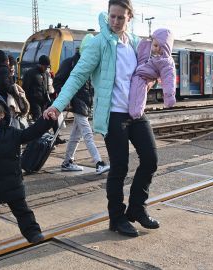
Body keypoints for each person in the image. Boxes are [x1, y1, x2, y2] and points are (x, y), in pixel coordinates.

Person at [44, 0, 160, 237]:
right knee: (120, 167)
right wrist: (57, 105)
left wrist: (153, 79)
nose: (116, 22)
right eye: (112, 17)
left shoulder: (137, 44)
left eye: (121, 17)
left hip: (136, 113)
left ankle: (137, 208)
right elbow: (77, 76)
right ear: (108, 16)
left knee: (151, 159)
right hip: (113, 116)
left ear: (130, 17)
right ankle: (116, 218)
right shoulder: (99, 44)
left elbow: (146, 74)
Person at [0, 92, 53, 250]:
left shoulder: (13, 134)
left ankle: (33, 233)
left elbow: (31, 133)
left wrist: (46, 121)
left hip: (11, 183)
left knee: (22, 210)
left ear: (1, 115)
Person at [54, 36, 110, 174]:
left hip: (84, 103)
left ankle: (67, 161)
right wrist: (67, 99)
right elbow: (58, 82)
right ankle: (98, 163)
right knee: (87, 134)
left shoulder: (88, 62)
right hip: (77, 103)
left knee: (76, 135)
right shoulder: (70, 63)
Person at [128, 28, 176, 119]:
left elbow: (169, 80)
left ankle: (135, 113)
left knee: (138, 92)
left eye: (160, 46)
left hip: (144, 77)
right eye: (154, 45)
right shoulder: (147, 49)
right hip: (138, 74)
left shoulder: (166, 62)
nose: (156, 48)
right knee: (136, 92)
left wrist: (169, 96)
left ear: (166, 47)